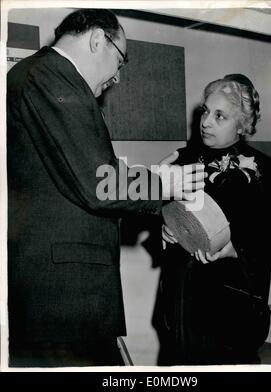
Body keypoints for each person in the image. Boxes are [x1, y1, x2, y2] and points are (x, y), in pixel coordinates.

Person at [7, 9, 205, 367]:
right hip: (63, 295)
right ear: (98, 39)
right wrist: (163, 182)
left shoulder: (43, 77)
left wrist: (146, 180)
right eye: (120, 60)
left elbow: (83, 178)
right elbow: (98, 184)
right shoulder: (51, 77)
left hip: (59, 292)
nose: (116, 77)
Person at [153, 74, 271, 365]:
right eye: (205, 111)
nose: (206, 122)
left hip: (233, 310)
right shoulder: (180, 161)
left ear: (242, 124)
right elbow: (161, 215)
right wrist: (164, 231)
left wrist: (235, 250)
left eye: (220, 116)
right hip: (179, 306)